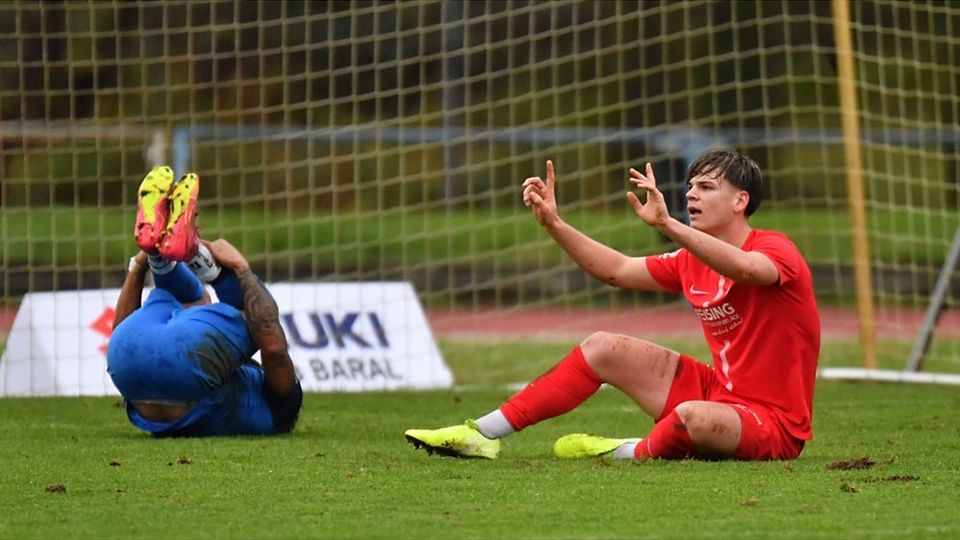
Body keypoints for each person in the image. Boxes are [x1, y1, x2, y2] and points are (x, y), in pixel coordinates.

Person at [405, 149, 820, 461]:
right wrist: (555, 223)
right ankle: (482, 433)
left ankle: (626, 451)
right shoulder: (690, 260)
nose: (691, 194)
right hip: (720, 392)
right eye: (690, 186)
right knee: (602, 346)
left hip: (774, 425)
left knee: (692, 417)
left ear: (740, 201)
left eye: (706, 188)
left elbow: (749, 270)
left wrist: (668, 226)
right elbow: (617, 270)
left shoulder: (775, 249)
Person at [107, 165, 303, 437]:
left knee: (251, 313)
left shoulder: (283, 406)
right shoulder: (247, 401)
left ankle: (175, 256)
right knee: (197, 300)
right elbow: (121, 332)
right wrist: (137, 268)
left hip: (179, 361)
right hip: (124, 361)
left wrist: (241, 268)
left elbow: (273, 348)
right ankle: (159, 256)